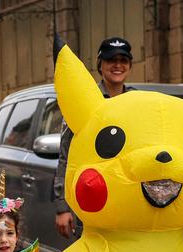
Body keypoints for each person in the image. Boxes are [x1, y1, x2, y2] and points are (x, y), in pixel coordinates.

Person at [53, 36, 134, 238]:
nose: (117, 66)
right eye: (111, 60)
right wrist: (62, 206)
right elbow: (67, 154)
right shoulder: (86, 100)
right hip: (94, 200)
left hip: (130, 202)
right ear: (100, 64)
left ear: (130, 65)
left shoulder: (138, 102)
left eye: (123, 60)